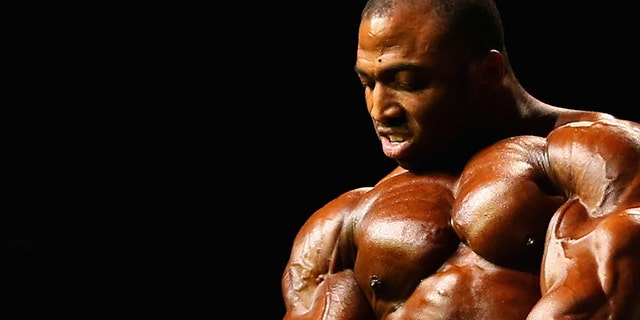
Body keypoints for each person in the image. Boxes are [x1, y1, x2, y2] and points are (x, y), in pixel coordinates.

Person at [281, 0, 640, 319]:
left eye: (408, 81)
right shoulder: (345, 219)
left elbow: (602, 303)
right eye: (368, 83)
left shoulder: (601, 156)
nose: (380, 110)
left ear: (487, 72)